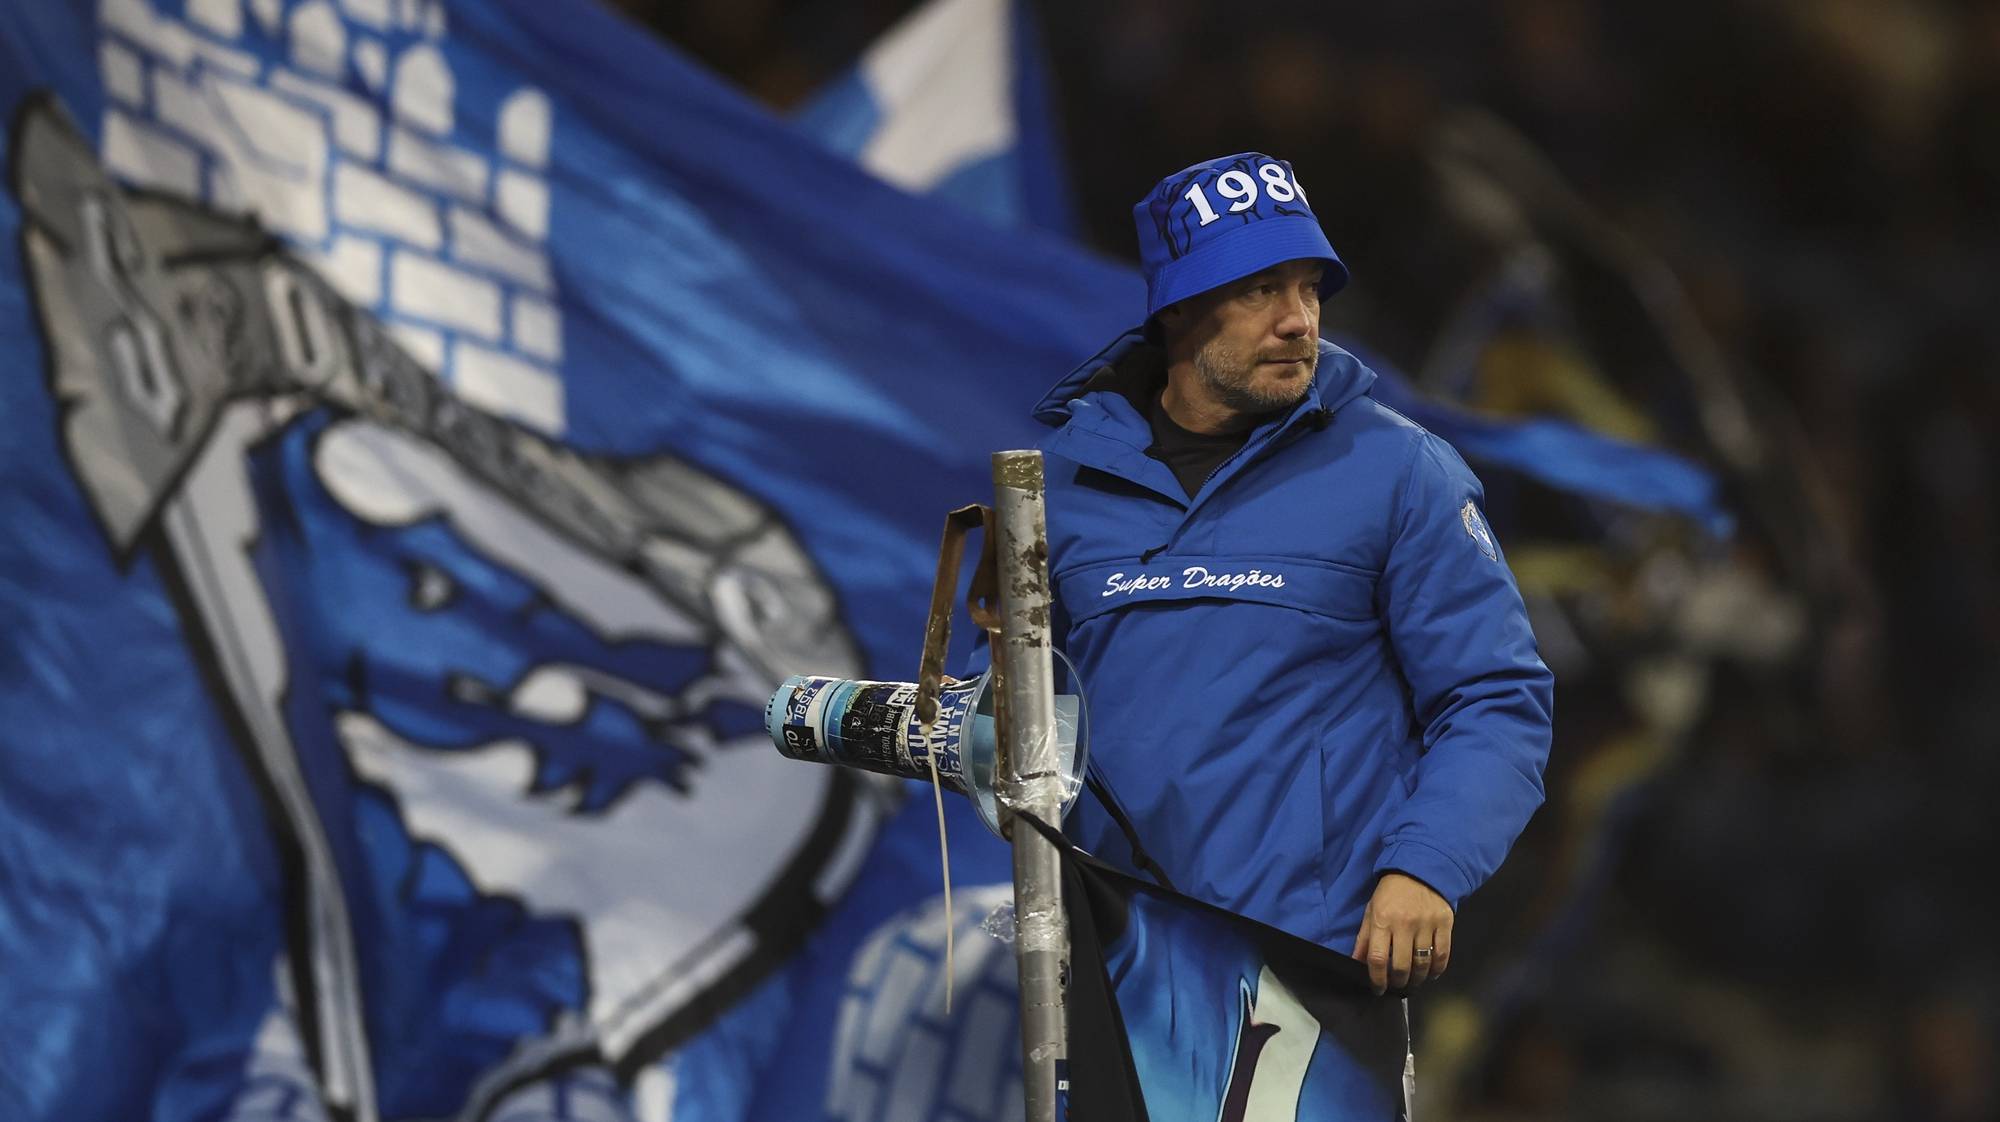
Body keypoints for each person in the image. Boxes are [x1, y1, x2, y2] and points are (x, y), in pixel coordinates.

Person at [1030, 152, 1554, 995]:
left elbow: (1495, 698)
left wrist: (1426, 866)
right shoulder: (1055, 484)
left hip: (1316, 974)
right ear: (1177, 310)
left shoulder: (1399, 469)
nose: (1299, 320)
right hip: (1108, 974)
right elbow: (1004, 711)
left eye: (1309, 288)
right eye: (1259, 290)